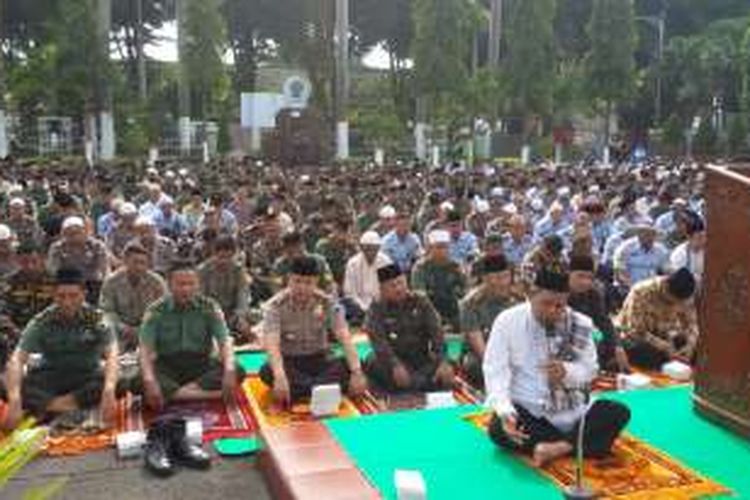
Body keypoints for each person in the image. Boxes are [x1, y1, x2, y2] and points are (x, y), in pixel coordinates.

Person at [484, 269, 630, 466]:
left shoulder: (580, 323)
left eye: (560, 305)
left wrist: (567, 372)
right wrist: (505, 411)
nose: (553, 310)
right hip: (530, 410)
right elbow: (495, 369)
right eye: (546, 303)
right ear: (531, 295)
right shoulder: (507, 321)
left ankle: (556, 448)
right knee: (497, 429)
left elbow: (590, 369)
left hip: (572, 410)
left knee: (617, 411)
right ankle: (578, 444)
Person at [2, 268, 120, 428]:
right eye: (61, 296)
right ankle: (69, 406)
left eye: (73, 296)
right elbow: (17, 358)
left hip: (85, 376)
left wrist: (109, 390)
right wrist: (15, 399)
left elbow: (112, 354)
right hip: (50, 378)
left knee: (118, 383)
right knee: (5, 385)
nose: (67, 302)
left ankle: (47, 407)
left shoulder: (97, 319)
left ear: (84, 294)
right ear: (53, 295)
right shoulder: (42, 320)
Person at [259, 256, 367, 405]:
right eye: (297, 281)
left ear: (316, 282)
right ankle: (323, 390)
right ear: (289, 280)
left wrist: (356, 372)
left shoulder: (327, 302)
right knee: (267, 371)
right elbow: (272, 345)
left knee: (355, 364)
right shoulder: (275, 306)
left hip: (320, 360)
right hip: (290, 362)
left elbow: (344, 337)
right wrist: (280, 376)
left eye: (308, 282)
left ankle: (306, 390)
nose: (302, 287)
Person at [137, 263, 239, 410]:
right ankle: (212, 395)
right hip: (167, 365)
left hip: (200, 364)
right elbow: (145, 349)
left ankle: (174, 394)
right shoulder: (155, 311)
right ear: (169, 285)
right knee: (137, 381)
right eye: (180, 284)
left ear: (198, 284)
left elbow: (224, 341)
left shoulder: (209, 307)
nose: (186, 289)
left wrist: (229, 370)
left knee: (238, 370)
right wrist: (149, 380)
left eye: (191, 284)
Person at [362, 264, 455, 393]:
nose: (398, 289)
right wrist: (396, 365)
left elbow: (437, 333)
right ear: (382, 289)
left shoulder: (420, 301)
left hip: (419, 358)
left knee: (448, 367)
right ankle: (417, 383)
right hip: (392, 360)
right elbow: (379, 342)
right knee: (372, 363)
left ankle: (415, 383)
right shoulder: (377, 308)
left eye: (401, 283)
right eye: (392, 286)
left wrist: (443, 361)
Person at [618, 268, 698, 370]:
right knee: (647, 354)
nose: (675, 305)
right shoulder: (641, 291)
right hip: (637, 339)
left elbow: (692, 324)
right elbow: (634, 331)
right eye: (672, 302)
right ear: (666, 286)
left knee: (700, 348)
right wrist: (664, 347)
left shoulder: (686, 298)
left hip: (666, 337)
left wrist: (690, 345)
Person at [99, 242, 168, 352]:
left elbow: (164, 309)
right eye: (135, 262)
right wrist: (122, 327)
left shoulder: (156, 282)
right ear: (125, 261)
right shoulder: (111, 282)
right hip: (120, 330)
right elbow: (106, 310)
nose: (139, 267)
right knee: (104, 332)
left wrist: (143, 328)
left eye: (143, 263)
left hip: (148, 328)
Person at [459, 255, 515, 388]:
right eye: (497, 278)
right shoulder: (471, 303)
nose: (503, 283)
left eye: (506, 276)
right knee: (472, 364)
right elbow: (479, 347)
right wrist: (498, 368)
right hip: (486, 354)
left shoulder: (517, 298)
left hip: (513, 352)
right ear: (485, 279)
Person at [567, 255, 629, 373]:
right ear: (568, 274)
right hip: (565, 339)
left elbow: (603, 321)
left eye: (590, 278)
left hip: (590, 334)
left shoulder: (593, 294)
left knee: (615, 341)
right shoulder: (559, 294)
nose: (585, 282)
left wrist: (617, 347)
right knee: (596, 339)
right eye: (580, 276)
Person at [197, 235, 254, 343]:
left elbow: (243, 295)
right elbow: (200, 298)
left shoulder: (238, 269)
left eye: (228, 257)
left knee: (253, 320)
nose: (224, 261)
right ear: (214, 253)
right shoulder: (203, 270)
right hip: (210, 313)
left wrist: (240, 315)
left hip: (232, 314)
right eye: (221, 257)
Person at [411, 230, 467, 332]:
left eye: (445, 247)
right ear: (430, 248)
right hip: (428, 310)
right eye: (438, 247)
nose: (442, 250)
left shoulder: (455, 266)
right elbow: (420, 295)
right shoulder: (421, 268)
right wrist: (435, 317)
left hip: (452, 311)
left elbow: (465, 290)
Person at [46, 216, 109, 303]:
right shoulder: (57, 248)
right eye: (70, 233)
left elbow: (105, 269)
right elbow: (52, 269)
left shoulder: (97, 246)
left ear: (84, 232)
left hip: (92, 283)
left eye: (77, 232)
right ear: (63, 234)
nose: (74, 236)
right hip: (67, 283)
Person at [342, 231, 392, 325]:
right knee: (345, 304)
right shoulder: (352, 263)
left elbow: (389, 289)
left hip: (380, 304)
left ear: (378, 248)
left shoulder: (386, 262)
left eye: (373, 248)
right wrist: (364, 308)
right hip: (358, 305)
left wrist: (376, 306)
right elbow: (349, 292)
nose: (370, 252)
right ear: (361, 248)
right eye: (367, 248)